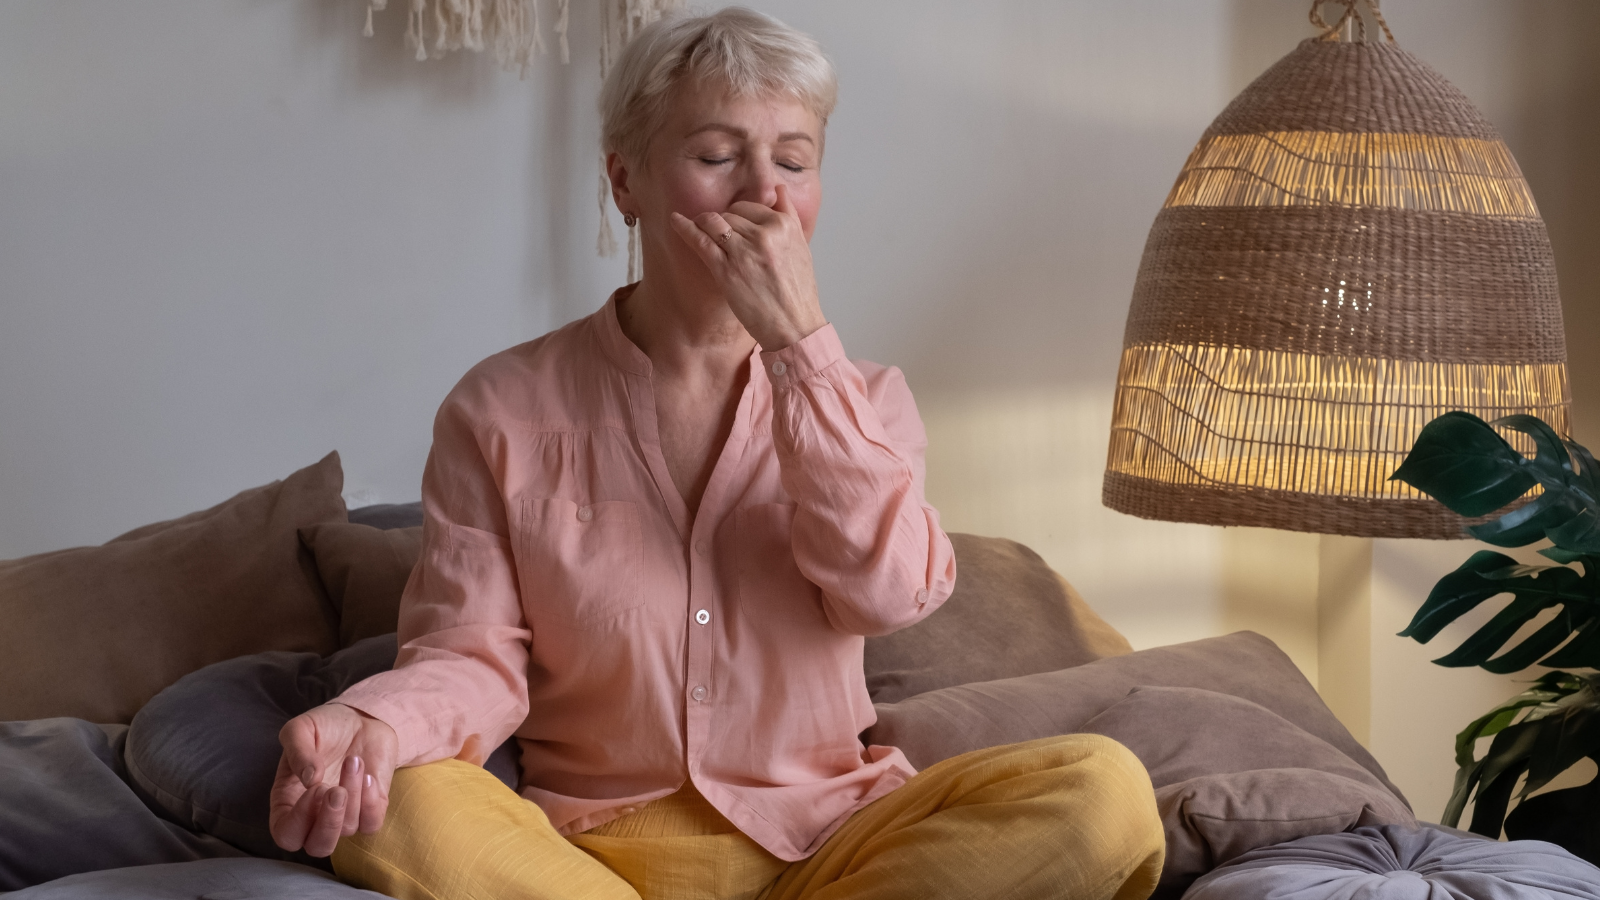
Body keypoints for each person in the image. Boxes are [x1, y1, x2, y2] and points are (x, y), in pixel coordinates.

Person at [266, 8, 1164, 899]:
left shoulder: (870, 399)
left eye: (794, 160)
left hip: (831, 846)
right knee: (404, 802)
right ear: (626, 180)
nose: (762, 192)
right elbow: (471, 659)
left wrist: (801, 348)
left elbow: (889, 593)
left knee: (1105, 792)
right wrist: (370, 722)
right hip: (585, 859)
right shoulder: (499, 407)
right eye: (716, 155)